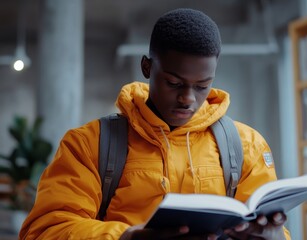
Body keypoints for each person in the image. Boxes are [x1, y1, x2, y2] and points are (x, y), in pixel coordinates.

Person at [20, 8, 291, 240]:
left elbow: (271, 227)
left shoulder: (246, 145)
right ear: (147, 67)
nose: (188, 98)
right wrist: (126, 237)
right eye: (174, 83)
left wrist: (273, 235)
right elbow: (44, 230)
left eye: (202, 86)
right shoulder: (88, 143)